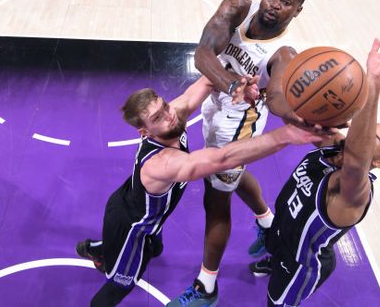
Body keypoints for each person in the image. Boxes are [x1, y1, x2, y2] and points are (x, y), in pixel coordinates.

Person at [76, 76, 323, 307]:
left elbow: (206, 81)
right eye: (157, 118)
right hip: (133, 227)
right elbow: (222, 158)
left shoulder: (173, 115)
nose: (169, 116)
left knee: (157, 249)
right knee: (121, 284)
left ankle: (101, 248)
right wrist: (286, 135)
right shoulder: (163, 163)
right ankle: (101, 253)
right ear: (145, 132)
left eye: (165, 107)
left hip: (129, 199)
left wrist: (239, 84)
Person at [169, 0, 314, 306]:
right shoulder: (236, 8)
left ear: (298, 11)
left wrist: (294, 115)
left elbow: (276, 98)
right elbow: (203, 54)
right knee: (231, 175)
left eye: (286, 2)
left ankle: (207, 286)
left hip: (240, 122)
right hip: (218, 99)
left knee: (216, 199)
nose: (275, 6)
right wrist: (232, 84)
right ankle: (267, 222)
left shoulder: (284, 54)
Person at [249, 28, 380, 306]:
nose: (359, 135)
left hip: (298, 264)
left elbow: (356, 161)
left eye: (371, 138)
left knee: (276, 303)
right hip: (282, 231)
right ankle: (272, 258)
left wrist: (373, 82)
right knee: (276, 241)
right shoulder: (336, 147)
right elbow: (296, 119)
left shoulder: (353, 191)